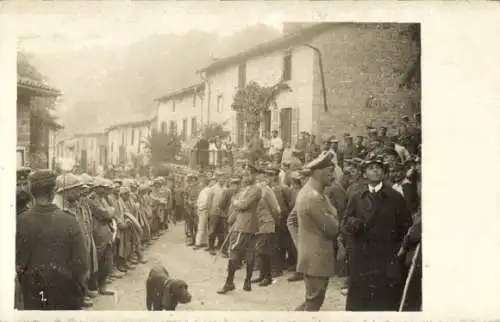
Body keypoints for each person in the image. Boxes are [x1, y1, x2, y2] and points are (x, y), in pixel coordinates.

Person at [343, 155, 412, 311]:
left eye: (379, 168)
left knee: (383, 301)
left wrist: (396, 251)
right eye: (371, 168)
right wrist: (353, 224)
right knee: (361, 300)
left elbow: (406, 225)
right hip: (362, 257)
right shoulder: (356, 197)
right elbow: (345, 223)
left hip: (384, 257)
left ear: (384, 172)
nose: (375, 170)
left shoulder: (395, 197)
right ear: (364, 173)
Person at [16, 170, 89, 310]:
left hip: (33, 293)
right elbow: (82, 264)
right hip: (65, 293)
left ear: (32, 192)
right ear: (54, 191)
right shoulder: (70, 221)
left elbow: (18, 262)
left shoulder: (21, 220)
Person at [294, 151, 340, 311]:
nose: (333, 176)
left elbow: (292, 220)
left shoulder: (313, 193)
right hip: (317, 257)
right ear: (320, 172)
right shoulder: (313, 197)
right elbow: (333, 229)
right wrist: (334, 214)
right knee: (314, 302)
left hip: (313, 255)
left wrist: (301, 243)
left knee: (311, 300)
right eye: (330, 172)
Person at [217, 164, 262, 294]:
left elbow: (243, 205)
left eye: (248, 175)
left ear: (254, 175)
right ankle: (246, 283)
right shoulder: (247, 189)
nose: (245, 177)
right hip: (247, 225)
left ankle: (229, 283)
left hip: (244, 225)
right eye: (245, 174)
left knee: (234, 251)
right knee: (249, 253)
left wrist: (235, 202)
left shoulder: (255, 189)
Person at [252, 168, 281, 287]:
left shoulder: (267, 191)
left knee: (265, 250)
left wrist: (274, 222)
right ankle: (262, 275)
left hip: (268, 223)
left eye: (261, 178)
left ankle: (267, 277)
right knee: (260, 251)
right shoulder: (256, 191)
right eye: (257, 179)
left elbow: (276, 209)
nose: (259, 181)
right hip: (259, 224)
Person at [206, 172, 226, 255]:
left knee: (221, 231)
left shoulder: (226, 188)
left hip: (222, 213)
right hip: (214, 213)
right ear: (218, 179)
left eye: (224, 178)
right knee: (212, 230)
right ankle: (211, 247)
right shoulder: (213, 188)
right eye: (221, 178)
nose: (222, 180)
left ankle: (219, 246)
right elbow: (208, 201)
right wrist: (209, 213)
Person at [194, 175, 211, 250]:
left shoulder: (207, 190)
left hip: (204, 210)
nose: (199, 183)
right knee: (203, 227)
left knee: (201, 227)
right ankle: (203, 242)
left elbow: (206, 202)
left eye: (201, 182)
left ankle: (198, 243)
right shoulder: (203, 190)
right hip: (202, 209)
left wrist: (200, 207)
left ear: (204, 183)